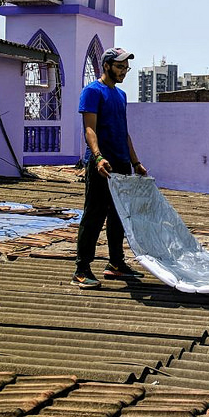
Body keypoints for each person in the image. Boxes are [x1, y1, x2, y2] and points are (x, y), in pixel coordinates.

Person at [71, 47, 148, 288]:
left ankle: (116, 264)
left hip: (121, 162)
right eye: (119, 67)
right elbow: (89, 128)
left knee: (118, 216)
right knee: (94, 215)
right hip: (101, 164)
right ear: (106, 66)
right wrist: (97, 157)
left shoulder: (121, 95)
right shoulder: (93, 91)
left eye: (126, 68)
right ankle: (81, 270)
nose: (124, 71)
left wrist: (135, 162)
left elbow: (123, 132)